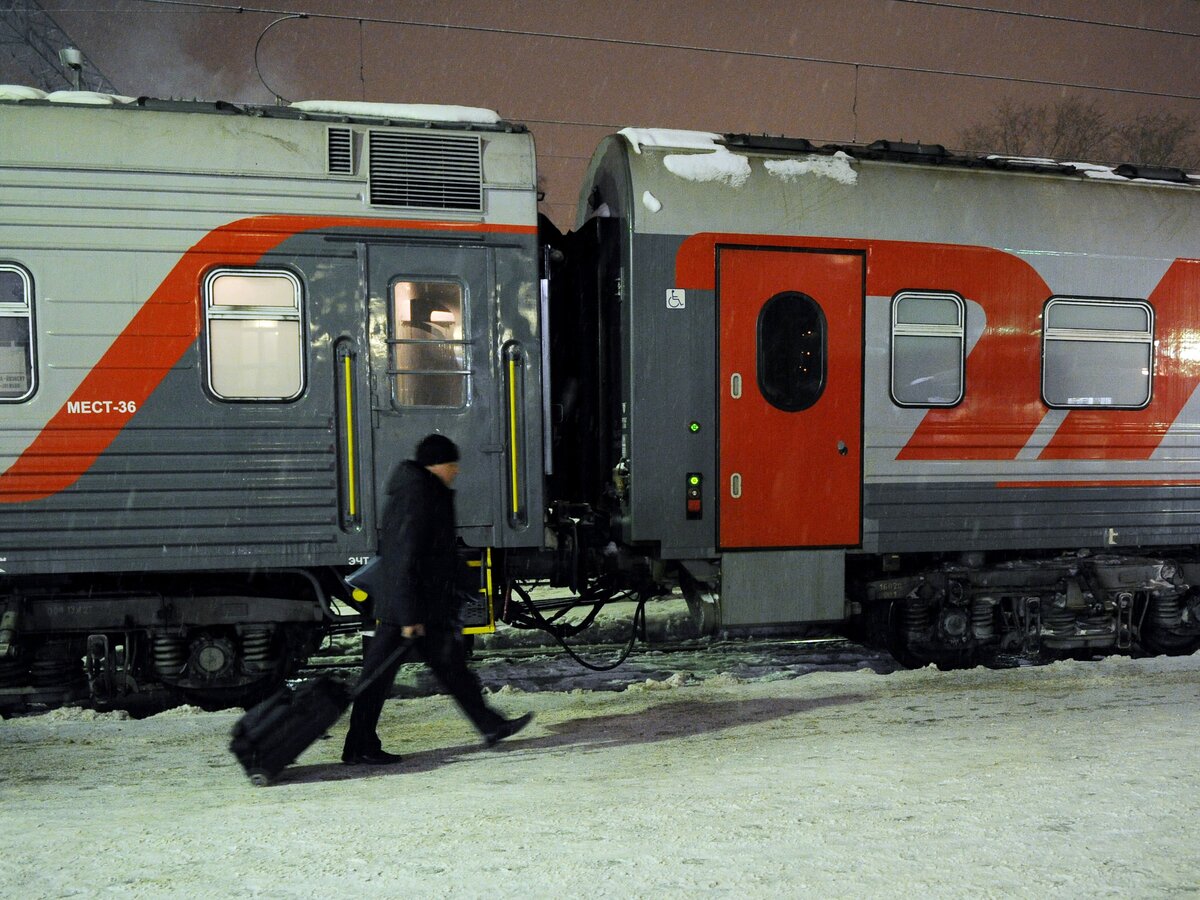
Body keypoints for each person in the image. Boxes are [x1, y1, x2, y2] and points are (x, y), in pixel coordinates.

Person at [342, 433, 533, 765]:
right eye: (451, 464)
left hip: (424, 605)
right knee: (377, 679)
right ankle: (358, 745)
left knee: (450, 668)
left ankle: (489, 725)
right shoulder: (417, 494)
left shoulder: (426, 491)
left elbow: (436, 549)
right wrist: (407, 616)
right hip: (408, 609)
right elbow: (403, 556)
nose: (456, 471)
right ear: (436, 465)